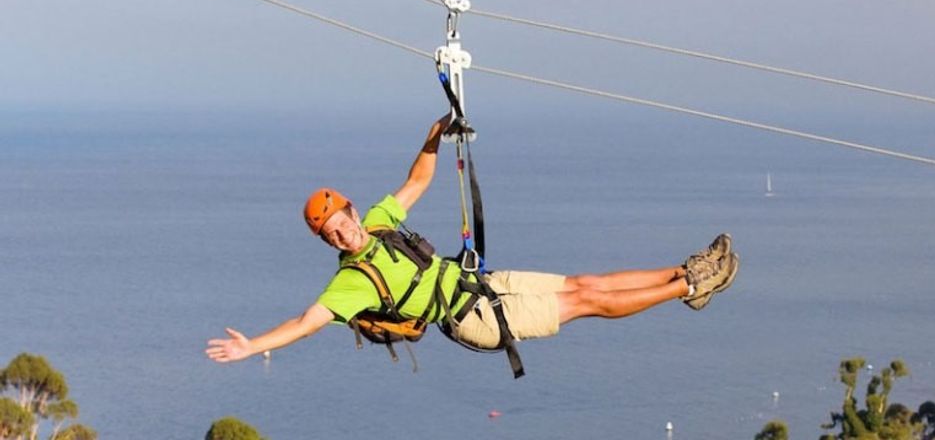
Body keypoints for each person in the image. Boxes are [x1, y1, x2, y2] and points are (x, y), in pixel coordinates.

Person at [206, 114, 739, 364]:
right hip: (474, 319)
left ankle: (683, 268)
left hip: (480, 282)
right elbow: (305, 324)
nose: (343, 232)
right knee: (589, 303)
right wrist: (252, 345)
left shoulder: (379, 221)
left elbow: (417, 181)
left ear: (349, 208)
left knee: (587, 282)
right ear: (329, 243)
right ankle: (690, 287)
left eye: (341, 220)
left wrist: (434, 135)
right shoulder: (351, 284)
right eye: (332, 234)